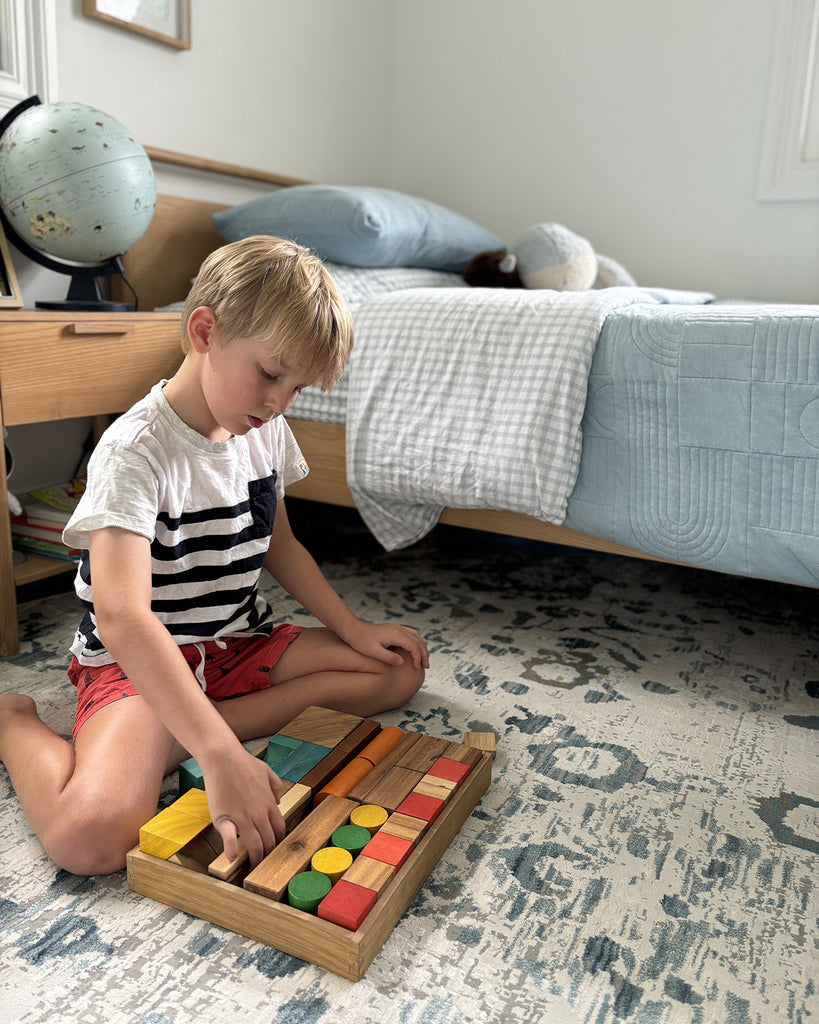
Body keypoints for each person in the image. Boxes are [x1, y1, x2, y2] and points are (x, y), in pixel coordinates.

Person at [0, 236, 428, 877]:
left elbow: (282, 546)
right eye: (270, 374)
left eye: (298, 388)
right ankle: (13, 723)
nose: (280, 401)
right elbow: (122, 618)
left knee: (396, 671)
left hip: (236, 642)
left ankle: (185, 730)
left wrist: (354, 630)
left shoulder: (266, 433)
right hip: (139, 663)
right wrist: (223, 754)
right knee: (88, 842)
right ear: (205, 330)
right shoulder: (134, 452)